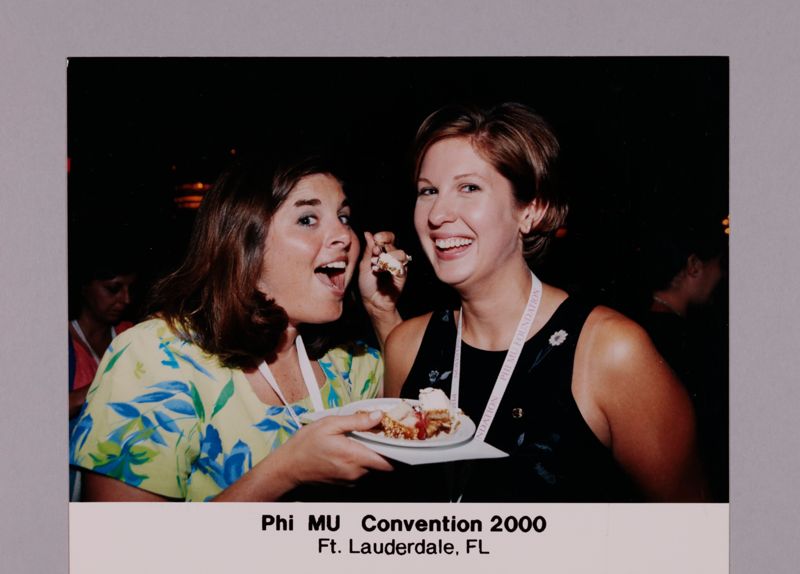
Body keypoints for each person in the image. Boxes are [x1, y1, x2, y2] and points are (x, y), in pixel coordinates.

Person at [383, 103, 706, 502]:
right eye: (428, 190)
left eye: (469, 188)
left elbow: (695, 533)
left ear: (531, 211)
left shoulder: (610, 352)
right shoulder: (406, 346)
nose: (438, 214)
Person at [69, 153, 409, 501]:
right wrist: (285, 471)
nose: (345, 235)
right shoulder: (155, 358)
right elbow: (117, 549)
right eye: (308, 219)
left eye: (343, 217)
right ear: (246, 243)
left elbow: (418, 427)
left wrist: (381, 309)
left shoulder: (348, 363)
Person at [638, 221, 728, 500]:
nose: (721, 277)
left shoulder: (637, 330)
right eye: (719, 266)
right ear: (694, 266)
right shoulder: (692, 342)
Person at [68, 250, 138, 500]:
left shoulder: (128, 335)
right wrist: (100, 388)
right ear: (84, 287)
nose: (125, 299)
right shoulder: (57, 341)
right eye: (113, 289)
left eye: (130, 289)